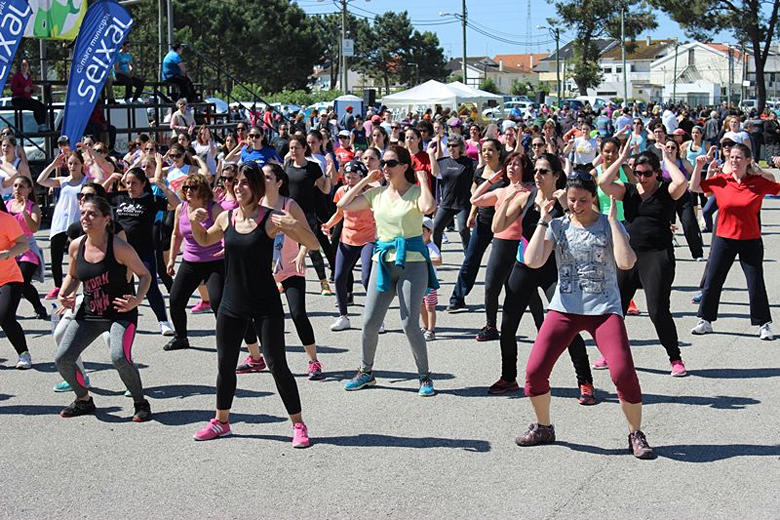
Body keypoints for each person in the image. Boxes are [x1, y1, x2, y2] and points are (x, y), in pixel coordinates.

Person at [517, 170, 655, 459]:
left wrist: (615, 223)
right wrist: (544, 219)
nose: (576, 205)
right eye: (571, 200)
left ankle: (635, 433)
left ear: (594, 198)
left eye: (582, 199)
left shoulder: (608, 225)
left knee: (622, 372)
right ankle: (544, 427)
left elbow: (626, 263)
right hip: (564, 308)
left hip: (604, 309)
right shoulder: (557, 225)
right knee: (534, 372)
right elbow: (532, 261)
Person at [187, 162, 317, 447]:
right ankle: (221, 421)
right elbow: (206, 240)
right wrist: (195, 220)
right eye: (236, 182)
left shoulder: (271, 219)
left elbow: (314, 243)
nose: (238, 186)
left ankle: (298, 425)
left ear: (257, 187)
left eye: (245, 182)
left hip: (265, 304)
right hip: (232, 304)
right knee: (225, 366)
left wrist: (295, 226)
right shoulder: (227, 217)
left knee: (277, 365)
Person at [336, 145, 439, 396]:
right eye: (383, 162)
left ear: (405, 167)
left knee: (409, 323)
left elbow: (428, 207)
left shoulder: (416, 192)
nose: (385, 167)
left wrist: (424, 179)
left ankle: (424, 376)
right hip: (382, 262)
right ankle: (365, 372)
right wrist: (364, 182)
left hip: (412, 262)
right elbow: (344, 205)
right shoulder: (377, 194)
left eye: (391, 163)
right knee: (369, 321)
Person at [54, 196, 152, 421]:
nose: (86, 218)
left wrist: (137, 300)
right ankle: (83, 400)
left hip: (120, 313)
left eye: (92, 214)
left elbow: (144, 275)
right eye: (84, 214)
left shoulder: (118, 246)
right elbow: (73, 275)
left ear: (106, 219)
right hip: (89, 314)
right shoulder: (77, 245)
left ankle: (140, 402)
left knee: (119, 357)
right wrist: (64, 292)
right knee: (63, 358)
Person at [598, 143, 690, 376]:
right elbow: (603, 183)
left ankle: (675, 358)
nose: (642, 177)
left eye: (647, 173)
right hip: (628, 254)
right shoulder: (628, 191)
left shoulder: (666, 191)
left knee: (657, 310)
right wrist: (620, 159)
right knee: (615, 308)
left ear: (657, 172)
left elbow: (682, 183)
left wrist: (668, 157)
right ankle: (610, 353)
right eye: (638, 173)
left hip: (657, 256)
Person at [689, 143, 779, 340]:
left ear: (748, 160)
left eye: (739, 158)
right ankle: (705, 320)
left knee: (755, 283)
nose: (734, 161)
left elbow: (777, 189)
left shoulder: (758, 182)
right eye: (732, 158)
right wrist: (698, 167)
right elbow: (695, 187)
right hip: (724, 238)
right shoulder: (722, 181)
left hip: (750, 240)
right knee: (713, 281)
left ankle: (763, 324)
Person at [264, 164, 324, 379]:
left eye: (268, 177)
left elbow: (308, 233)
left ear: (279, 182)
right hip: (265, 272)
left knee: (298, 314)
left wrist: (301, 254)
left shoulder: (289, 205)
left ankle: (314, 361)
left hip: (290, 267)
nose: (263, 180)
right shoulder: (256, 206)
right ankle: (264, 359)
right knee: (267, 319)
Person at [106, 168, 180, 336]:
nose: (130, 186)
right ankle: (122, 322)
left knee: (150, 285)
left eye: (134, 183)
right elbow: (96, 196)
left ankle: (163, 321)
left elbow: (176, 204)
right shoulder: (119, 199)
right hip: (121, 251)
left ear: (143, 184)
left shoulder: (151, 200)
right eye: (128, 182)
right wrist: (110, 178)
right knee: (122, 286)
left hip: (143, 250)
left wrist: (162, 186)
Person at [470, 152, 534, 342]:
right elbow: (474, 199)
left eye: (516, 165)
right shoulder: (501, 191)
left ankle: (540, 327)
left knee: (525, 291)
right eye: (509, 164)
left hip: (520, 244)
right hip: (500, 243)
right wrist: (490, 180)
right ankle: (491, 326)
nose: (511, 168)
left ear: (524, 169)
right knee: (491, 287)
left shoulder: (530, 190)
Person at [164, 174, 224, 351]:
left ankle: (226, 339)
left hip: (215, 261)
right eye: (185, 188)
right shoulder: (181, 208)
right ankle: (181, 337)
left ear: (202, 190)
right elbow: (176, 234)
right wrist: (171, 259)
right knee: (175, 300)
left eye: (193, 187)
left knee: (217, 302)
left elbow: (228, 229)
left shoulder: (213, 208)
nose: (188, 191)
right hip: (190, 262)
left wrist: (226, 247)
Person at [447, 138, 506, 312]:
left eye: (490, 150)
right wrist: (472, 214)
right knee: (470, 260)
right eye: (484, 150)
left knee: (506, 264)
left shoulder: (506, 173)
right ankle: (457, 298)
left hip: (503, 224)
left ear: (498, 152)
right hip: (483, 221)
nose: (487, 153)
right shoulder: (479, 171)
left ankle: (517, 298)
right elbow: (476, 197)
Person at [323, 160, 376, 332]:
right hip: (347, 238)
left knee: (367, 278)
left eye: (354, 177)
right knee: (339, 277)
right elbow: (340, 213)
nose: (350, 180)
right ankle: (343, 316)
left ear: (362, 177)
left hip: (368, 238)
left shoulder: (371, 192)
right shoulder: (341, 191)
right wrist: (329, 224)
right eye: (347, 177)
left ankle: (375, 318)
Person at [284, 135, 334, 295]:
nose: (293, 151)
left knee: (312, 249)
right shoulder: (288, 165)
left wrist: (327, 175)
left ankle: (324, 282)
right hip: (289, 213)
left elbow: (325, 189)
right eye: (291, 148)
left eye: (296, 148)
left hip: (307, 214)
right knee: (286, 249)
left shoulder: (313, 167)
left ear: (304, 148)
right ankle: (283, 281)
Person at [37, 151, 88, 300]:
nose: (72, 166)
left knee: (79, 257)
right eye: (70, 163)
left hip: (77, 222)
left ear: (82, 165)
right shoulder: (63, 180)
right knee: (56, 257)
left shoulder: (86, 182)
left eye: (76, 163)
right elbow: (41, 180)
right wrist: (53, 164)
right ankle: (58, 286)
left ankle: (84, 286)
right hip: (60, 222)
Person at [6, 175, 47, 320]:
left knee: (22, 281)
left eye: (21, 186)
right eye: (15, 185)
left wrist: (24, 212)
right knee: (11, 283)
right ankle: (9, 311)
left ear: (29, 190)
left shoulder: (33, 207)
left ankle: (37, 307)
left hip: (27, 249)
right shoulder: (7, 205)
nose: (17, 189)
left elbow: (34, 228)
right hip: (10, 249)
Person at [430, 134, 475, 252]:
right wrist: (431, 154)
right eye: (449, 145)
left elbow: (479, 173)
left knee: (463, 230)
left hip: (462, 204)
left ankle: (469, 258)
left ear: (460, 147)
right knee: (436, 229)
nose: (451, 148)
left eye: (454, 146)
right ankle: (436, 255)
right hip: (446, 203)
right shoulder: (443, 161)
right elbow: (435, 173)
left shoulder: (469, 163)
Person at [0, 200, 30, 369]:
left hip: (8, 278)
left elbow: (24, 244)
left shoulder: (6, 220)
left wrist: (6, 254)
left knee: (4, 316)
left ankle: (23, 354)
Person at [420, 217, 442, 341]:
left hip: (430, 282)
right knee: (420, 305)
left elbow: (439, 260)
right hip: (419, 281)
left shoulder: (432, 247)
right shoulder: (417, 245)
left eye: (423, 231)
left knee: (430, 307)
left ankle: (431, 330)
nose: (421, 234)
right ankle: (425, 326)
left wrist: (426, 260)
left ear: (430, 232)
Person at [10, 59, 47, 130]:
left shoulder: (28, 77)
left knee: (42, 106)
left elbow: (29, 90)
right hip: (17, 99)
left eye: (25, 65)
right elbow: (13, 88)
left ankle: (42, 124)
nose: (24, 67)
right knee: (36, 106)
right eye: (22, 65)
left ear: (28, 67)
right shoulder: (17, 76)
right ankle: (40, 125)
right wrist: (23, 89)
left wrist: (32, 89)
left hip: (26, 98)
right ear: (20, 66)